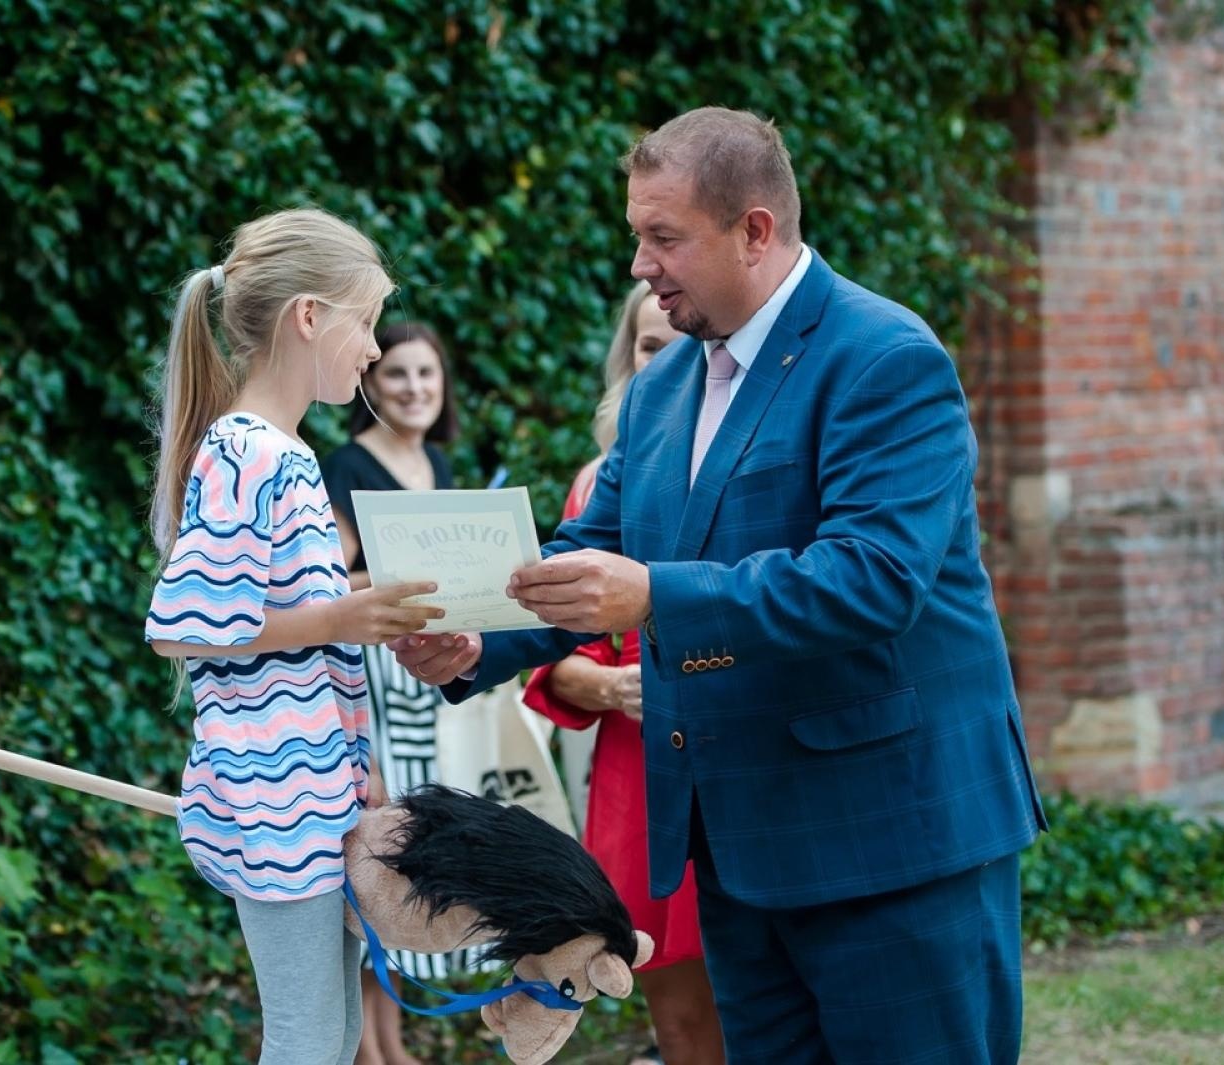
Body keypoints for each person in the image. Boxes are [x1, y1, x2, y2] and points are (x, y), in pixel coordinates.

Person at [391, 108, 1048, 1064]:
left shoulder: (886, 358)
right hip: (737, 856)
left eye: (664, 237)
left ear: (754, 229)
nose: (639, 266)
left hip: (895, 844)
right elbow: (589, 550)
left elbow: (875, 579)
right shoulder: (659, 395)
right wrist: (477, 642)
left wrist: (657, 595)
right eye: (635, 237)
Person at [143, 208, 442, 1065]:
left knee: (336, 1033)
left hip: (316, 796)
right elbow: (184, 624)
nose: (376, 349)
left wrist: (358, 763)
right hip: (272, 806)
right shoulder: (249, 453)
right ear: (309, 317)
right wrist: (344, 615)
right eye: (367, 320)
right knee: (308, 1039)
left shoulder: (286, 453)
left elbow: (291, 631)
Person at [521, 281, 723, 1065]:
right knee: (665, 988)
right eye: (645, 347)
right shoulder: (597, 481)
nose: (662, 362)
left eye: (676, 347)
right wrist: (610, 687)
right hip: (634, 767)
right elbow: (556, 664)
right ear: (625, 362)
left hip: (728, 744)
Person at [321, 322, 465, 1065]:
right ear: (372, 385)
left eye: (427, 375)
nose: (413, 388)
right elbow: (329, 587)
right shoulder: (347, 463)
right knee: (373, 850)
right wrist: (401, 581)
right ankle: (370, 1050)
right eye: (398, 374)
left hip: (424, 681)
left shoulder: (436, 462)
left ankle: (391, 1040)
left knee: (409, 853)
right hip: (367, 676)